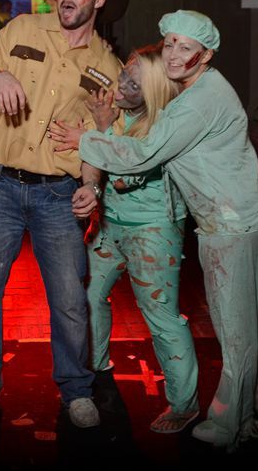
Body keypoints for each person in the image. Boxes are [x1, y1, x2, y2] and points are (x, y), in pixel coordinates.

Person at [50, 10, 258, 450]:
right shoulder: (199, 88)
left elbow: (143, 156)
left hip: (232, 223)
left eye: (186, 47)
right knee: (257, 322)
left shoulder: (197, 103)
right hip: (247, 214)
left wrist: (84, 139)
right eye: (170, 43)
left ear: (206, 55)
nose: (174, 54)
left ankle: (231, 424)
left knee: (235, 331)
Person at [0, 0, 126, 428]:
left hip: (58, 194)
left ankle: (76, 391)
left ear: (98, 0)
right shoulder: (21, 30)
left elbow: (100, 136)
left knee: (70, 301)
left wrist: (92, 185)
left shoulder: (107, 66)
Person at [75, 45, 199, 434]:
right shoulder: (117, 112)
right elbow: (97, 164)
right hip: (110, 224)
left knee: (160, 316)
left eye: (134, 84)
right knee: (88, 296)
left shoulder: (165, 126)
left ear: (156, 93)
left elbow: (125, 176)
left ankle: (184, 405)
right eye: (124, 75)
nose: (121, 86)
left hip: (154, 231)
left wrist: (96, 132)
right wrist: (99, 130)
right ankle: (97, 367)